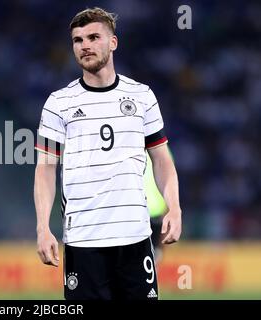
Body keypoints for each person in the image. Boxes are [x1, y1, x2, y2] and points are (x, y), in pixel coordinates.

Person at [33, 7, 182, 300]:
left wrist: (174, 207)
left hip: (135, 237)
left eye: (93, 37)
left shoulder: (142, 96)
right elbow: (45, 168)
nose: (84, 45)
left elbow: (161, 158)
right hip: (83, 241)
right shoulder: (58, 104)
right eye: (77, 40)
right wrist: (42, 227)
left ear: (113, 42)